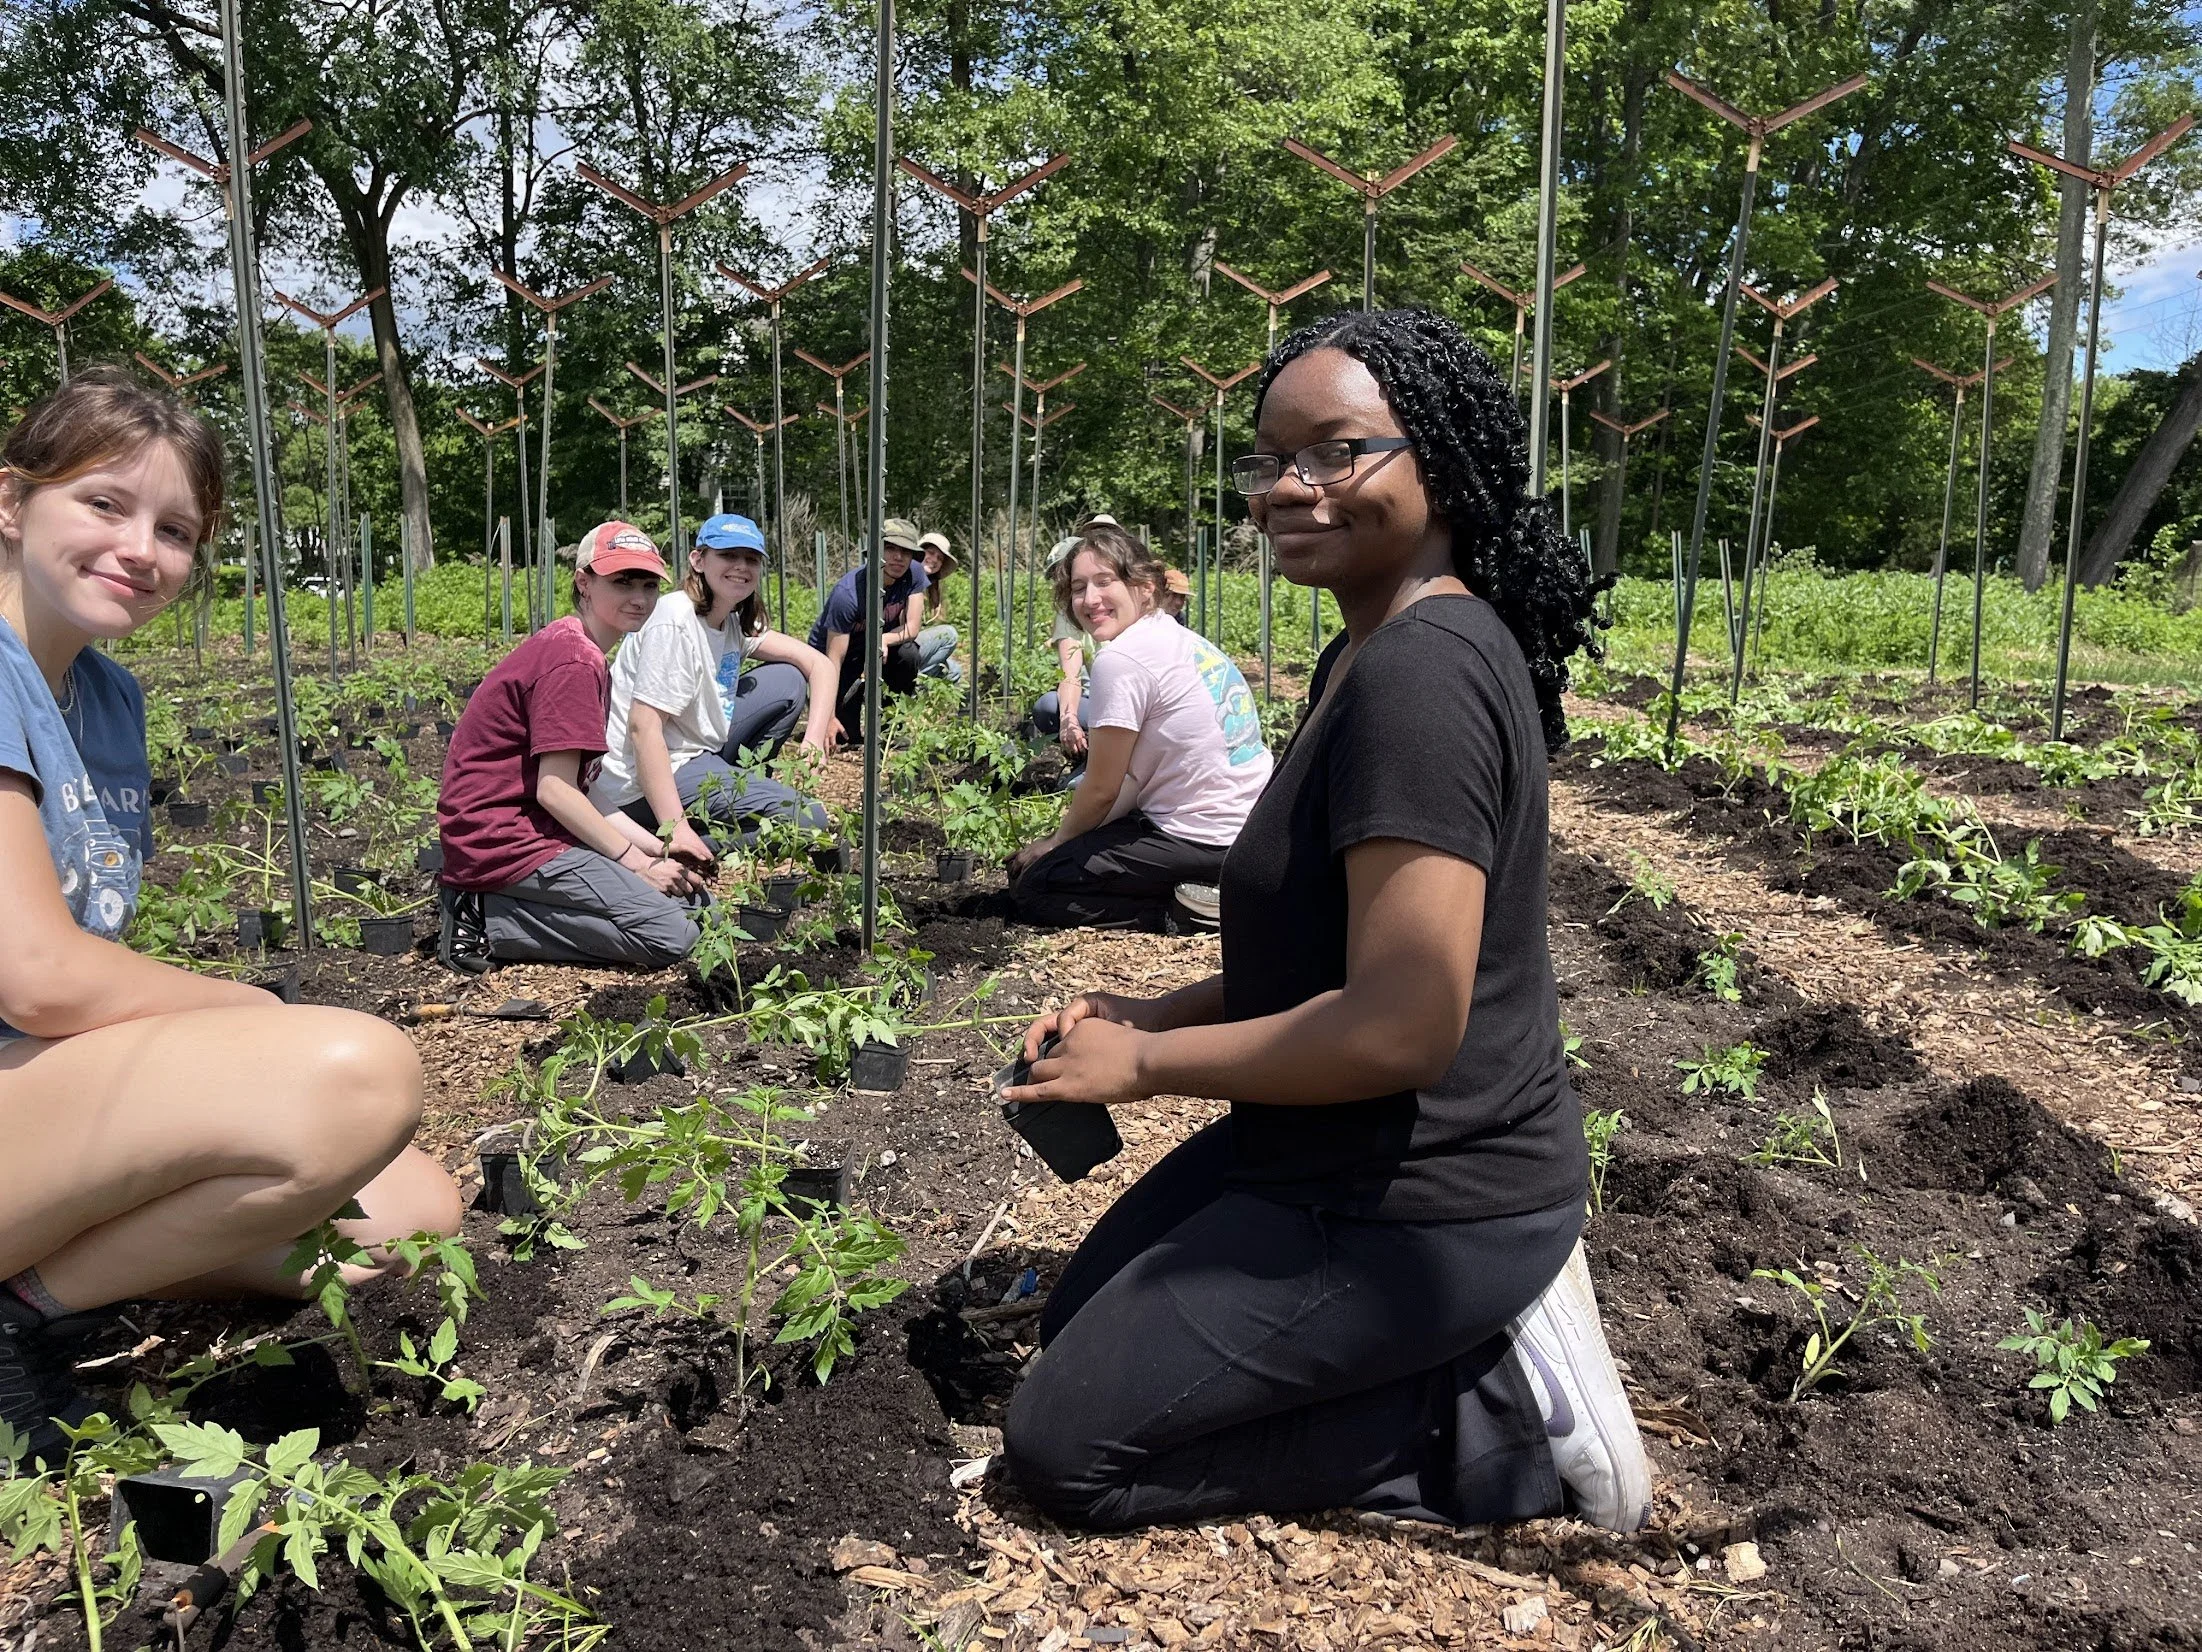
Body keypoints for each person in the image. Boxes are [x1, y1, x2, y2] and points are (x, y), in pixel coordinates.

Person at [997, 309, 1647, 1536]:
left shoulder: (1422, 675)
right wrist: (1153, 1009)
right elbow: (1318, 959)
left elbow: (1401, 1023)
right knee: (1078, 1320)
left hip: (1427, 1193)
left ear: (1441, 467)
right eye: (1270, 461)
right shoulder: (1371, 649)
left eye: (1337, 452)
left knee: (1065, 1450)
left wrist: (1145, 1064)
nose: (1290, 488)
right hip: (1324, 1139)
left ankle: (1504, 1414)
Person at [0, 367, 461, 1463]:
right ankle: (22, 1325)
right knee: (359, 1075)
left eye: (174, 528)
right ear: (12, 501)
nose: (139, 548)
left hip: (29, 1089)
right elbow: (41, 974)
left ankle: (41, 1284)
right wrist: (251, 1006)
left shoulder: (105, 695)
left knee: (409, 1211)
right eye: (102, 503)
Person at [437, 521, 707, 973]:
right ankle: (485, 916)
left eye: (647, 584)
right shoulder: (573, 662)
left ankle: (506, 906)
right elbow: (555, 791)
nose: (639, 597)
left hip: (538, 827)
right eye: (622, 581)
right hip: (502, 838)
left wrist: (662, 847)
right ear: (583, 581)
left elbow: (582, 788)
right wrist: (638, 865)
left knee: (698, 907)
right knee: (671, 935)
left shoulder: (586, 653)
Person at [1006, 524, 1270, 932]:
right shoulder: (1178, 637)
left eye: (1104, 582)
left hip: (1208, 835)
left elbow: (1101, 788)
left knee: (1037, 887)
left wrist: (1056, 843)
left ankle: (1191, 912)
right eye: (1078, 587)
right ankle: (1205, 888)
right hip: (1254, 825)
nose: (1090, 599)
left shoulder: (1122, 659)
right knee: (1081, 848)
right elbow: (1131, 778)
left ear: (1145, 587)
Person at [591, 513, 835, 863]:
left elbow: (819, 664)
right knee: (807, 818)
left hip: (692, 754)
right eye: (728, 556)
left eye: (751, 559)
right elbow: (643, 729)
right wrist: (676, 827)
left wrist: (813, 737)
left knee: (787, 681)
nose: (740, 567)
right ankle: (664, 846)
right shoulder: (675, 622)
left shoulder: (729, 621)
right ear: (698, 560)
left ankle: (741, 796)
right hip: (640, 782)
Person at [806, 517, 929, 735]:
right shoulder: (848, 594)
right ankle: (837, 708)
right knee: (845, 735)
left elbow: (912, 627)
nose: (898, 557)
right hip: (836, 657)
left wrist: (883, 639)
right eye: (890, 548)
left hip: (875, 646)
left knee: (908, 654)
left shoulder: (914, 573)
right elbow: (833, 659)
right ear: (875, 551)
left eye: (906, 551)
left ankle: (891, 728)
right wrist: (828, 716)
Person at [1029, 536, 1093, 753]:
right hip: (1107, 702)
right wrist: (1069, 719)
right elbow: (1070, 676)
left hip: (1151, 708)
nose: (1061, 582)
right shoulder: (1068, 615)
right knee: (1048, 707)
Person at [915, 530, 963, 684]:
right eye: (930, 552)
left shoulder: (925, 585)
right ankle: (912, 682)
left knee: (954, 671)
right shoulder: (906, 580)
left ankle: (922, 690)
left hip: (907, 645)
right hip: (895, 648)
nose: (934, 560)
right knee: (949, 634)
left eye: (940, 558)